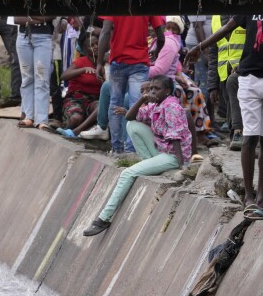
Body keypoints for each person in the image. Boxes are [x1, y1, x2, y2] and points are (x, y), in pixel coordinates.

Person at [188, 10, 263, 216]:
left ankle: (261, 197)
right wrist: (199, 46)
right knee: (249, 136)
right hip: (248, 77)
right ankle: (249, 196)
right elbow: (226, 27)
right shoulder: (253, 6)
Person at [82, 75, 192, 236]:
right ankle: (150, 164)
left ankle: (103, 219)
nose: (153, 91)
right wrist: (142, 99)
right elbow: (130, 117)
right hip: (161, 150)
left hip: (173, 154)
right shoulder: (156, 104)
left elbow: (176, 136)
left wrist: (181, 164)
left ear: (168, 91)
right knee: (133, 126)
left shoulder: (171, 106)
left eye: (157, 89)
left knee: (127, 173)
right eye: (151, 88)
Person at [91, 15, 165, 152]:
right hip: (140, 62)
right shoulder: (148, 1)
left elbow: (105, 31)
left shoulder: (113, 1)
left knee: (115, 105)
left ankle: (117, 149)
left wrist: (99, 62)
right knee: (136, 105)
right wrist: (156, 52)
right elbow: (161, 37)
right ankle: (132, 150)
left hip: (118, 61)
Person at [15, 15, 52, 127]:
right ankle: (29, 116)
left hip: (44, 38)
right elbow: (17, 19)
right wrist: (42, 18)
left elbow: (52, 16)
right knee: (27, 78)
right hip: (23, 37)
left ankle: (41, 120)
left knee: (42, 79)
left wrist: (28, 18)